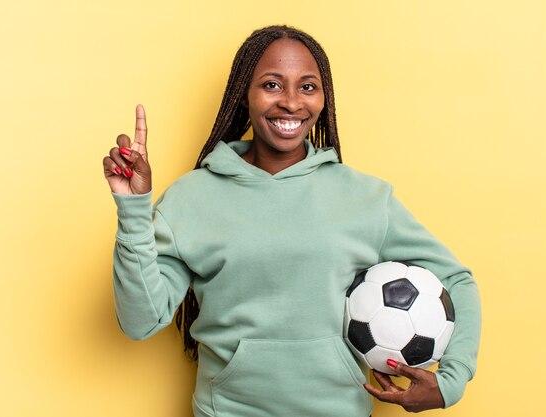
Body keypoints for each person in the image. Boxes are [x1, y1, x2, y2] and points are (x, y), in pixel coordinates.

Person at [102, 25, 481, 417]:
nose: (290, 103)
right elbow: (139, 322)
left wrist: (450, 381)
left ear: (322, 98)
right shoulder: (192, 198)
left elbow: (455, 280)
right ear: (243, 96)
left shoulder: (365, 199)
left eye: (307, 87)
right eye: (271, 85)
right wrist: (133, 209)